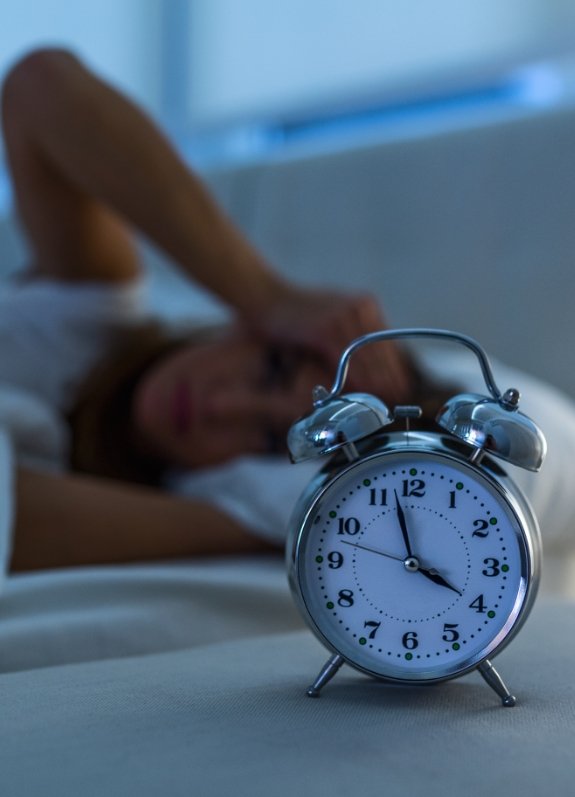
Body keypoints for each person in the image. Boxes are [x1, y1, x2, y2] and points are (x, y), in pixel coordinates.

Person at [0, 48, 419, 573]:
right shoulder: (87, 319)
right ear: (251, 332)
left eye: (269, 441)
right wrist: (267, 295)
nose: (224, 408)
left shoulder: (150, 513)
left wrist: (281, 521)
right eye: (271, 370)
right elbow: (41, 86)